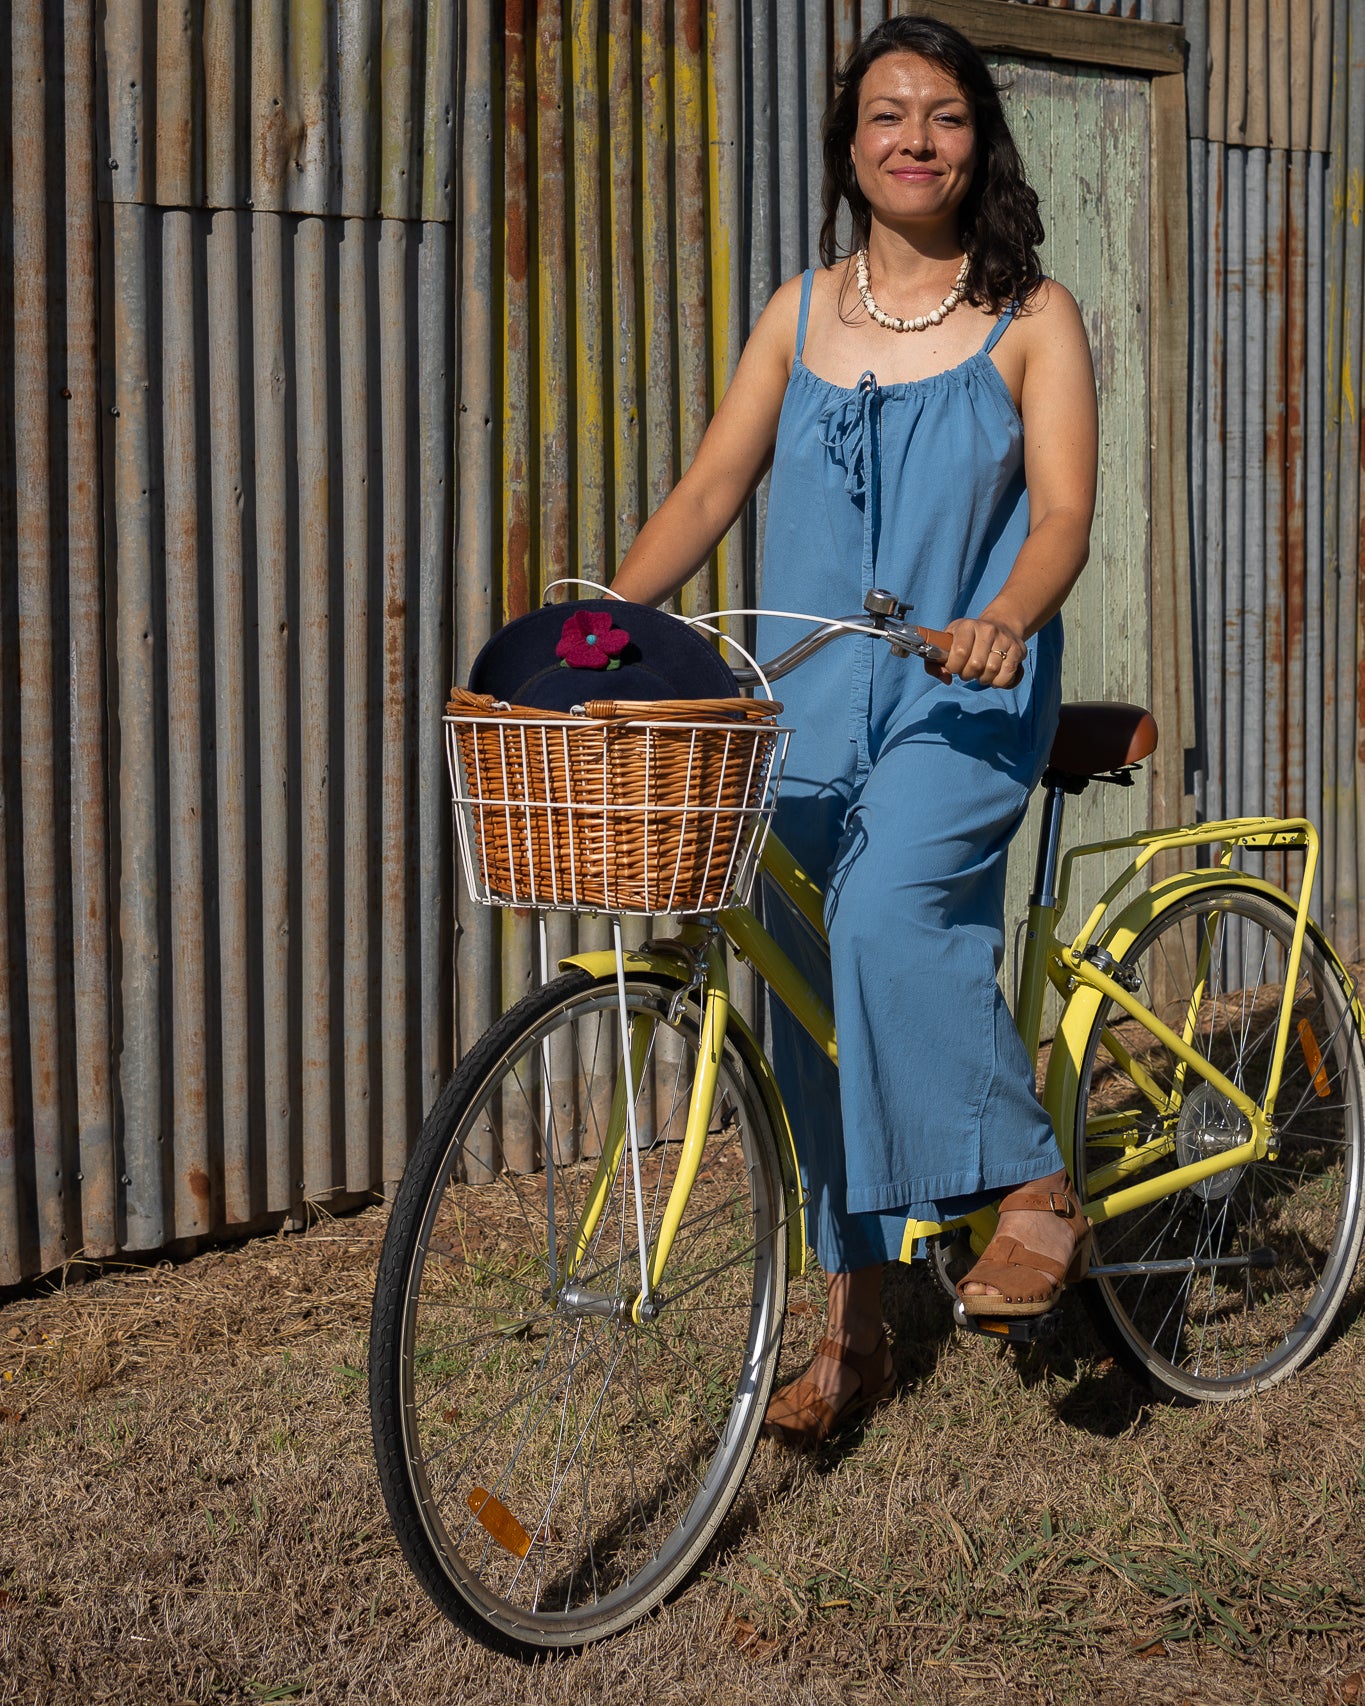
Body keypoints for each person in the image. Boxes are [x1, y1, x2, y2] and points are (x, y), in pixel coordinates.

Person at [610, 15, 1098, 1447]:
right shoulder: (797, 309)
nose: (911, 141)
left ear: (976, 139)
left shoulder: (1034, 317)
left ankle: (1024, 1181)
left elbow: (1063, 512)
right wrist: (596, 630)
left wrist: (1005, 609)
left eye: (941, 116)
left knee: (887, 915)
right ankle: (857, 1316)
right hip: (807, 706)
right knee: (809, 1010)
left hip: (960, 699)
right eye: (885, 115)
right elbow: (706, 491)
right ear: (847, 145)